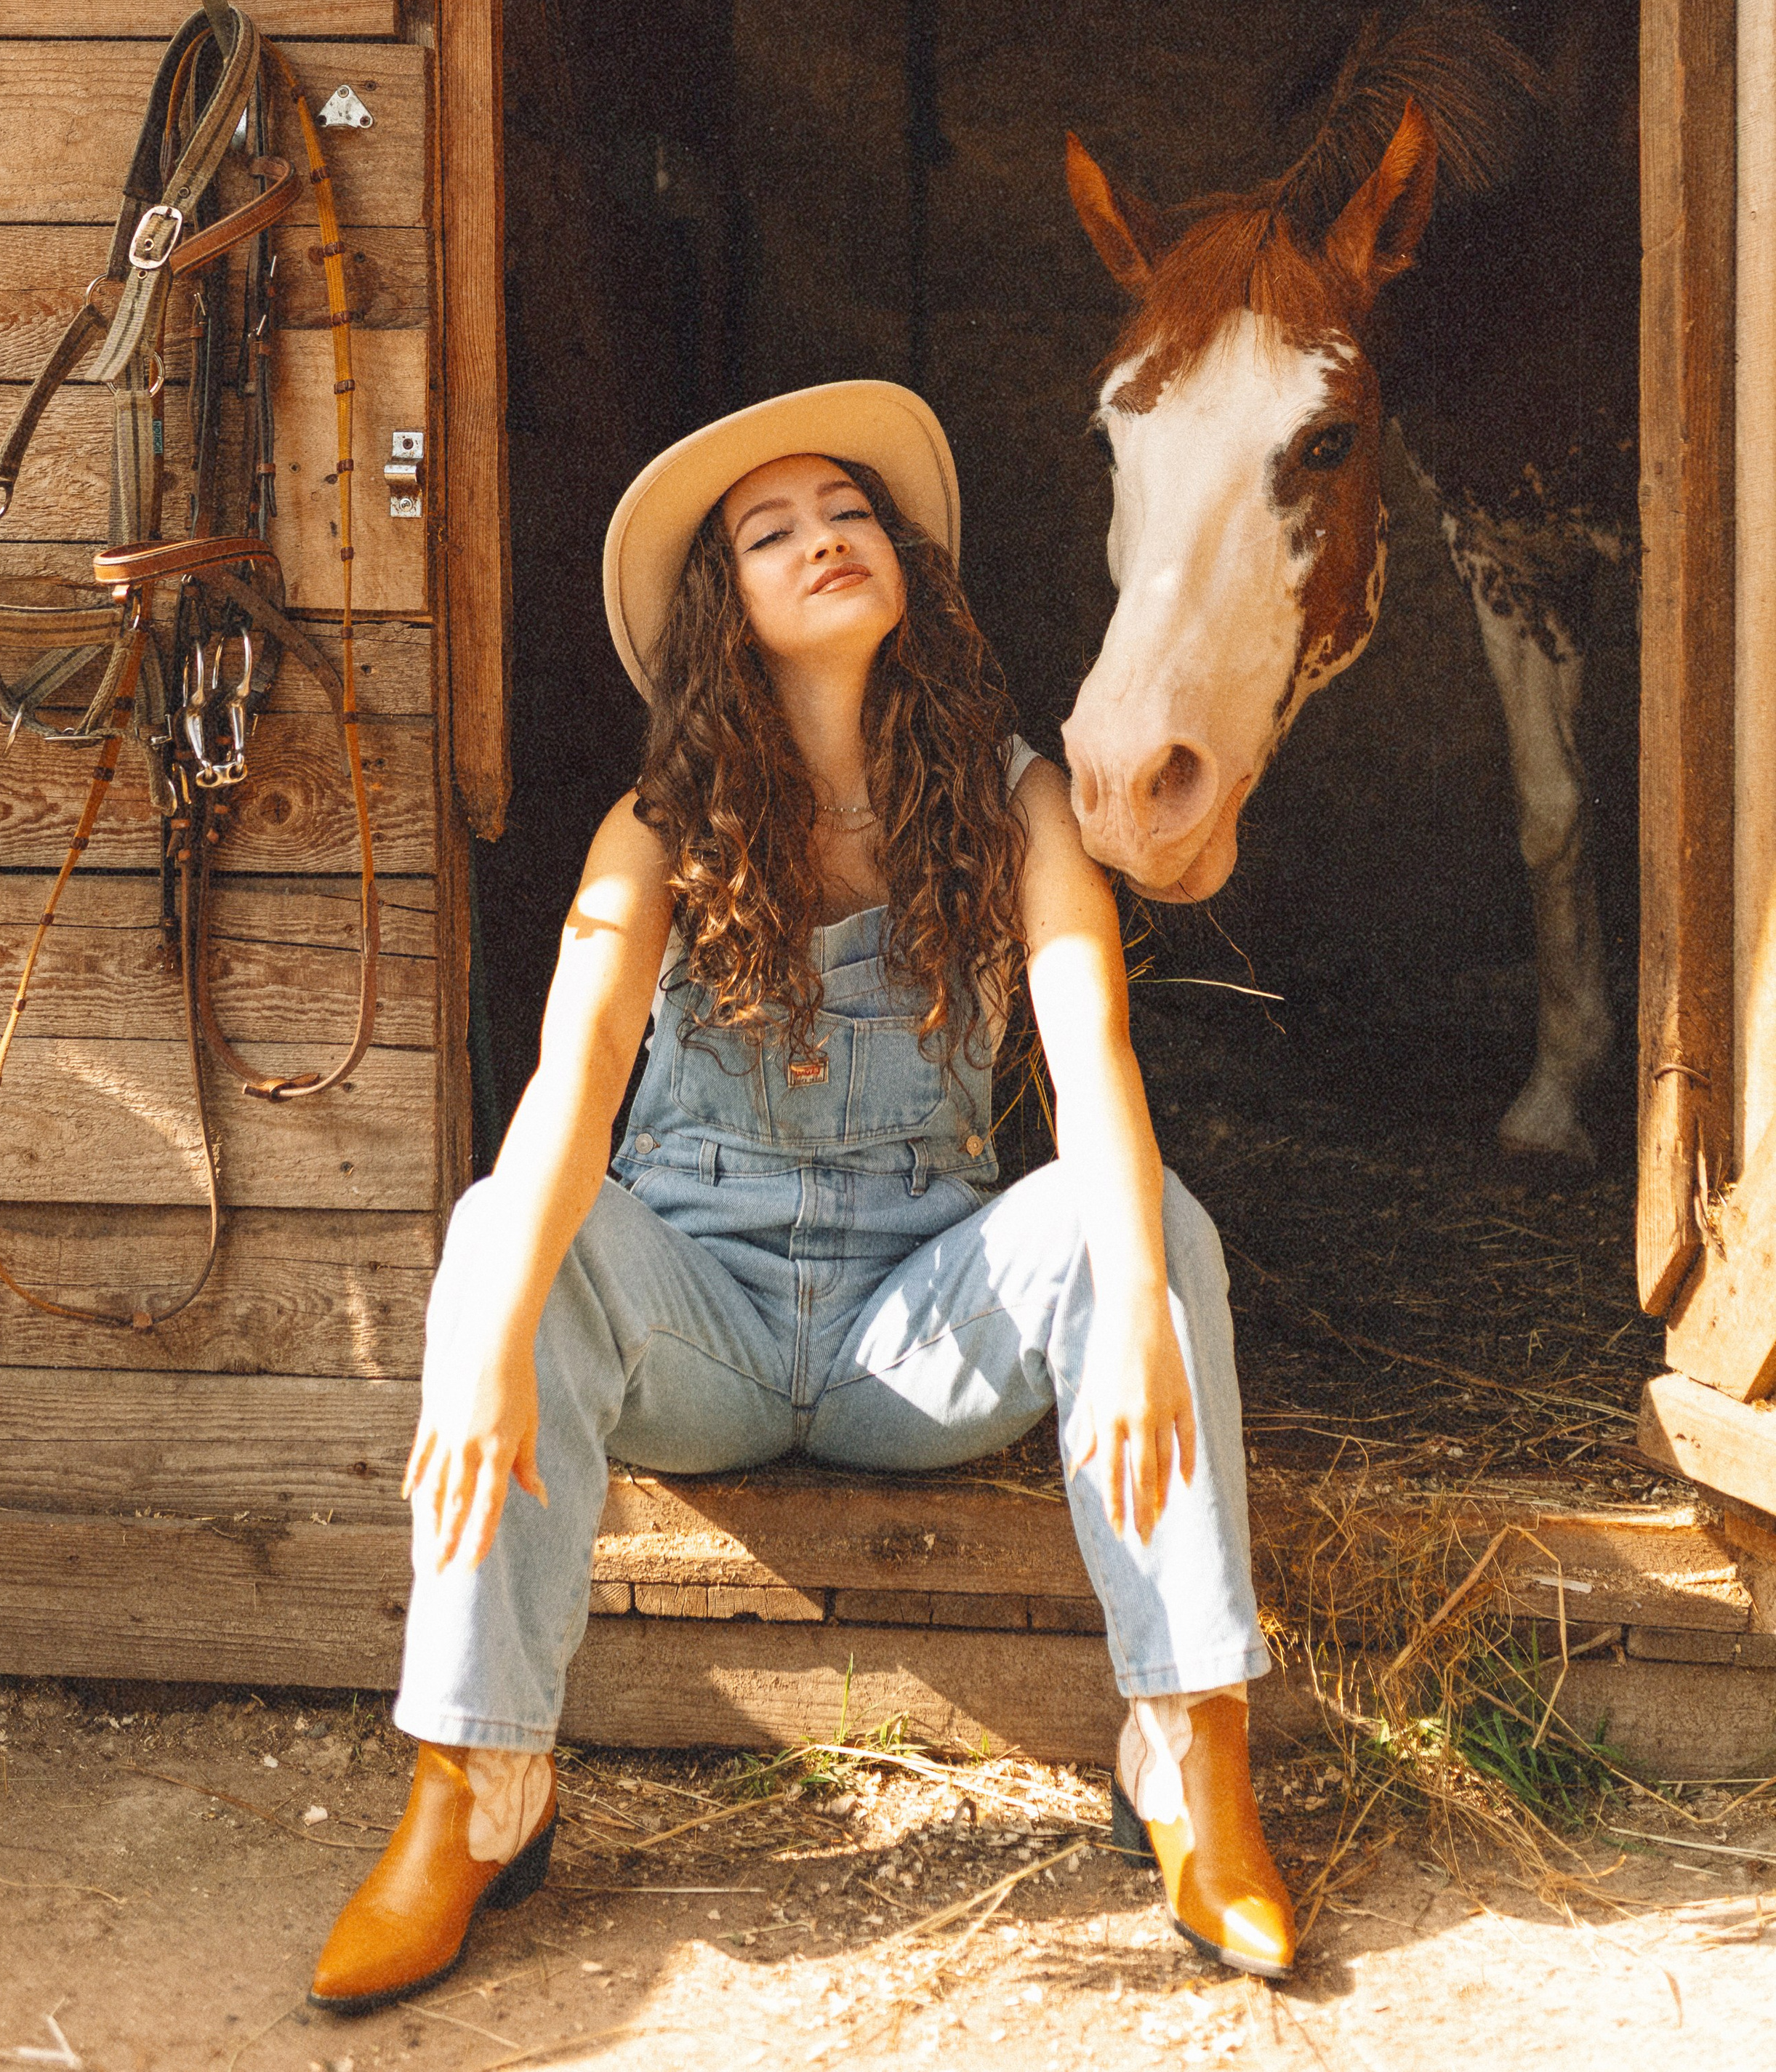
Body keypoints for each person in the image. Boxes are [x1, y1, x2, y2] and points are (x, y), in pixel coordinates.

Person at [309, 381, 1294, 2015]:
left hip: (917, 1329)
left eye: (844, 513)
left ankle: (1191, 1759)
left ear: (898, 558)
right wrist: (490, 1339)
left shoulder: (1012, 796)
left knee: (1148, 1222)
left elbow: (1091, 1049)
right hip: (693, 1321)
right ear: (725, 612)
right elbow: (569, 1086)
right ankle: (471, 1794)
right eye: (772, 534)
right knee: (506, 1229)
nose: (822, 538)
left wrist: (1131, 1307)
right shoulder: (655, 832)